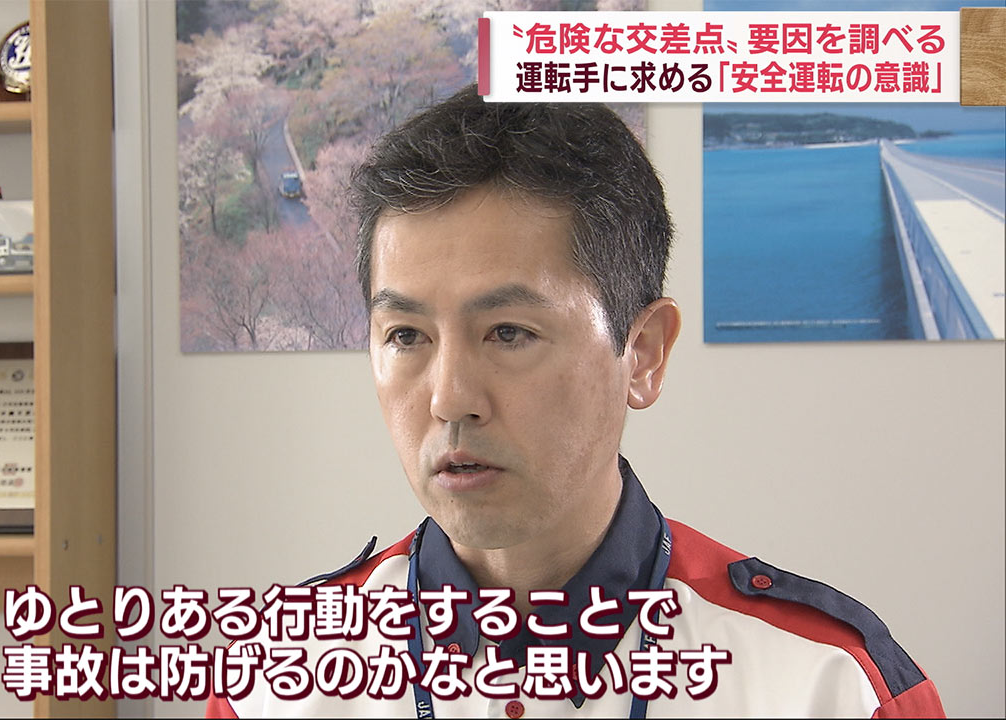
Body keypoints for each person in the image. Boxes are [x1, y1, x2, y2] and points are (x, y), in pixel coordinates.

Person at [206, 84, 944, 718]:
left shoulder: (828, 685)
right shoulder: (275, 681)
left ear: (643, 352)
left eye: (508, 332)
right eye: (405, 335)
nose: (450, 400)